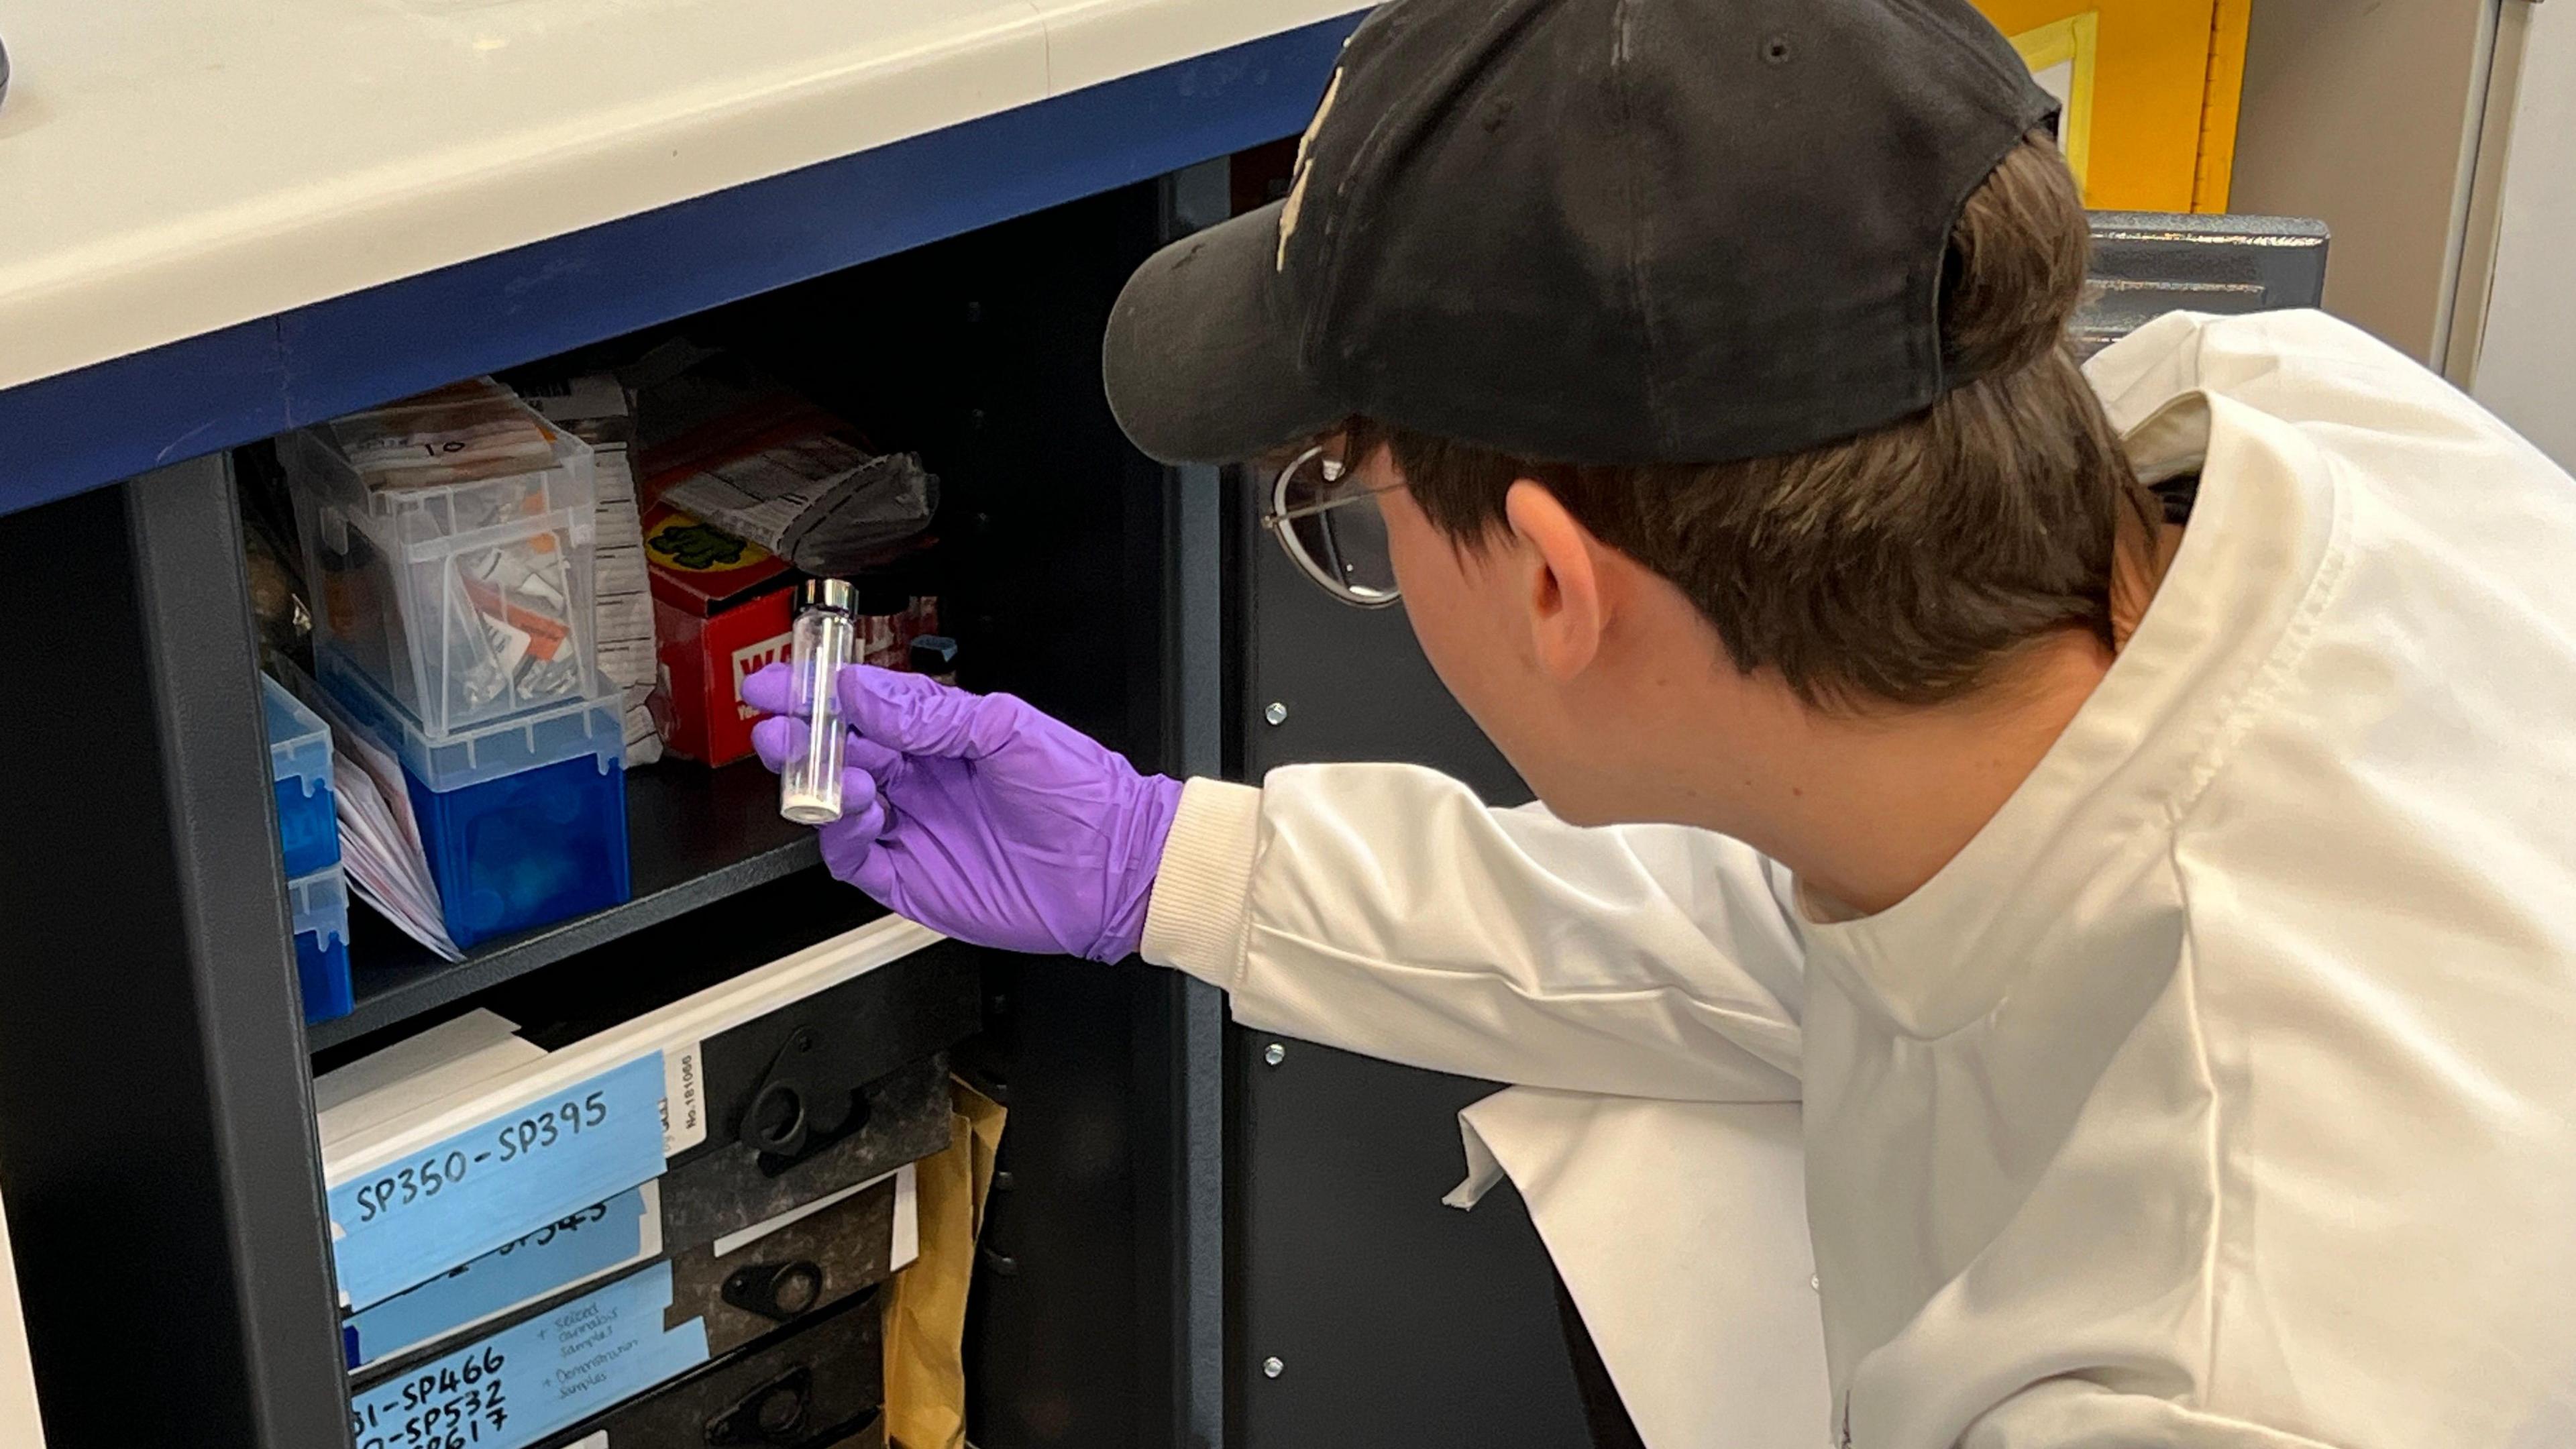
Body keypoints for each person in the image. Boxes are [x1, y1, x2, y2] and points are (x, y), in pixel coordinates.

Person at [744, 0, 2576, 1443]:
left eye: (1346, 495)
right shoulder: (2284, 429)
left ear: (1551, 583)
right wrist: (1171, 862)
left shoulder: (2220, 1373)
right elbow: (1794, 931)